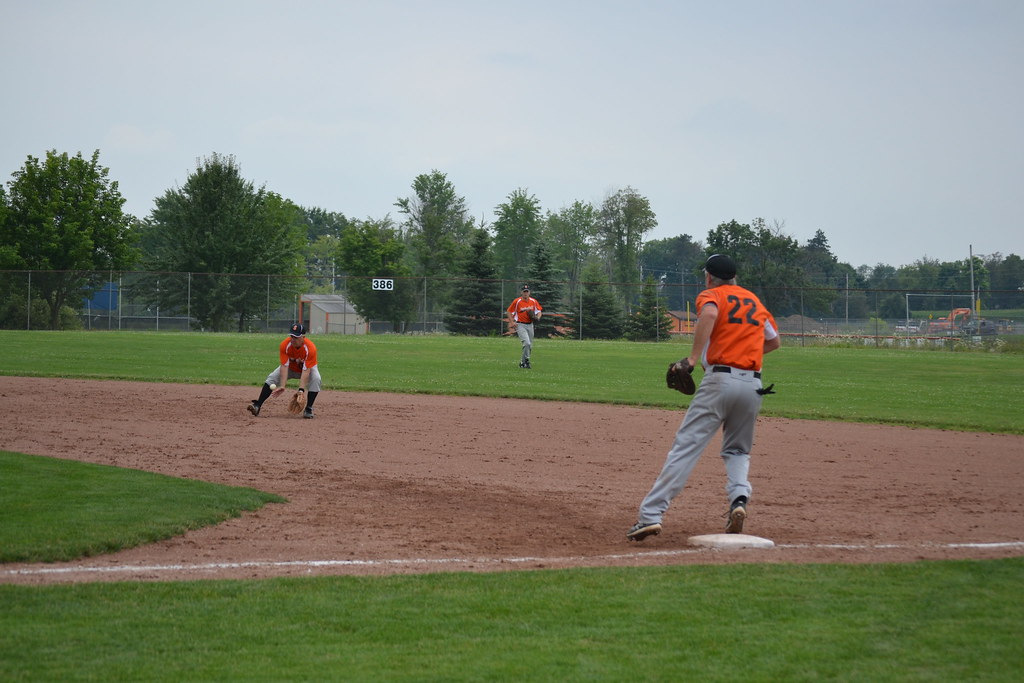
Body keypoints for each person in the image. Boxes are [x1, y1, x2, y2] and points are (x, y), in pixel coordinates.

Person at [627, 254, 780, 541]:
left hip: (720, 381)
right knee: (737, 450)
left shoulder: (711, 295)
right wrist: (745, 352)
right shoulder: (754, 302)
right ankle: (738, 500)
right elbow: (774, 341)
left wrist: (693, 358)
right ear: (735, 277)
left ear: (709, 276)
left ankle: (650, 516)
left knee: (685, 448)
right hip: (753, 386)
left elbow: (709, 314)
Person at [247, 323, 322, 419]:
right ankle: (257, 405)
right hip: (290, 368)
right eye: (292, 336)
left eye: (296, 337)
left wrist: (301, 390)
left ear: (303, 337)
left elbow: (306, 371)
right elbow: (284, 366)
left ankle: (308, 409)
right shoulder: (285, 345)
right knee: (272, 378)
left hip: (307, 369)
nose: (293, 339)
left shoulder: (310, 348)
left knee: (316, 379)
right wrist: (282, 385)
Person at [506, 285, 543, 369]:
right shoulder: (517, 301)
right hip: (520, 325)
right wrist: (512, 322)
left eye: (527, 291)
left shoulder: (533, 301)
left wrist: (538, 317)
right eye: (524, 291)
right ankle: (526, 361)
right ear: (521, 292)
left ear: (529, 292)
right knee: (527, 343)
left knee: (530, 345)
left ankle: (523, 362)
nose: (525, 293)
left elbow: (539, 311)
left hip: (530, 325)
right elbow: (508, 311)